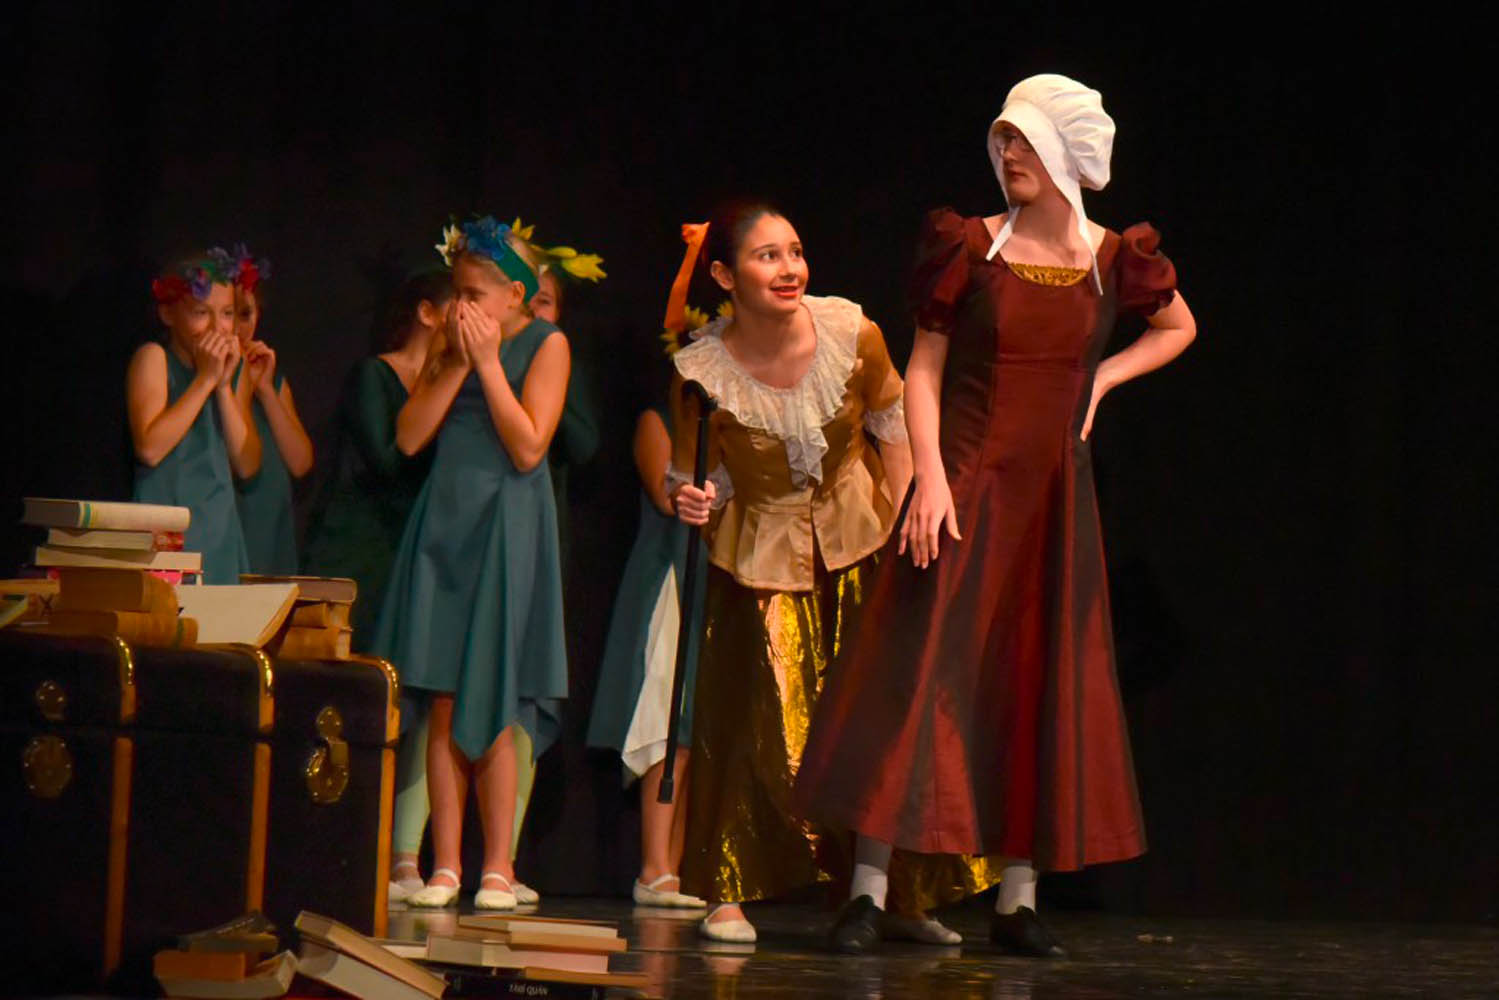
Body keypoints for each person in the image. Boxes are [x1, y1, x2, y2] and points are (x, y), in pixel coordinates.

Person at [794, 74, 1198, 956]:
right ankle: (867, 892)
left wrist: (1101, 379)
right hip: (966, 487)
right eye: (1002, 139)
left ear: (1061, 153)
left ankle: (1018, 900)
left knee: (1036, 680)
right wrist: (930, 479)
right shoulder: (969, 247)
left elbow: (1178, 327)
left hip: (1054, 500)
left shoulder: (1111, 257)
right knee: (919, 672)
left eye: (1022, 140)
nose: (1007, 153)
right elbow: (924, 369)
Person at [667, 204, 991, 945]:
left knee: (883, 726)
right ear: (724, 276)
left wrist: (910, 528)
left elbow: (894, 426)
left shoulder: (850, 332)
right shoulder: (698, 373)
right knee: (758, 728)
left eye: (795, 251)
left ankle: (896, 896)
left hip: (861, 540)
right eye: (767, 256)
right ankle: (727, 889)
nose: (789, 269)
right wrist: (689, 497)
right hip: (760, 557)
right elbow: (692, 475)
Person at [372, 216, 573, 911]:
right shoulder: (448, 346)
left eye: (474, 295)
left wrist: (488, 365)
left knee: (499, 694)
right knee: (443, 699)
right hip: (446, 528)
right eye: (456, 292)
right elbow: (408, 438)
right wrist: (457, 360)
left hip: (506, 527)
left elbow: (529, 446)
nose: (460, 306)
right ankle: (446, 865)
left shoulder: (547, 345)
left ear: (515, 296)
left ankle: (498, 866)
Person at [301, 266, 451, 903]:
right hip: (362, 551)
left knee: (413, 701)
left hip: (421, 555)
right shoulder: (375, 375)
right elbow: (388, 462)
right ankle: (336, 842)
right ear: (427, 312)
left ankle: (400, 853)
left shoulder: (457, 384)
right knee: (351, 696)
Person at [585, 314, 711, 911]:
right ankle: (654, 867)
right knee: (666, 720)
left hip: (720, 582)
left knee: (698, 731)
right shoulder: (658, 422)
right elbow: (668, 494)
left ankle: (675, 870)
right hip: (672, 574)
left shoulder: (737, 430)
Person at [127, 254, 259, 584]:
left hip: (218, 535)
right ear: (168, 314)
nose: (217, 327)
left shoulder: (234, 370)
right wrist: (204, 381)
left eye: (226, 314)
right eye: (201, 313)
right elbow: (149, 448)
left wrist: (223, 386)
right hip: (166, 535)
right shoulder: (154, 358)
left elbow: (247, 464)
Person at [227, 245, 314, 574]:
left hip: (268, 520)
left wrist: (264, 389)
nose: (238, 328)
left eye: (246, 315)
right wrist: (239, 384)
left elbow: (301, 462)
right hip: (234, 519)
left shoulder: (271, 380)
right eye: (229, 314)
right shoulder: (210, 380)